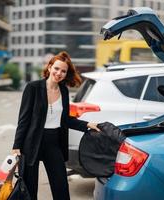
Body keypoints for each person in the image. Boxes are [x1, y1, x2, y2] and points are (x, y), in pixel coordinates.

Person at [11, 51, 100, 200]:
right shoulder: (33, 88)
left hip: (54, 142)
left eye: (63, 71)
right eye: (57, 68)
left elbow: (65, 120)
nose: (59, 73)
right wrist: (16, 146)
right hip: (31, 142)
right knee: (29, 189)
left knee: (61, 186)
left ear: (66, 74)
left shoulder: (63, 91)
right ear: (49, 67)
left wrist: (88, 124)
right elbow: (24, 119)